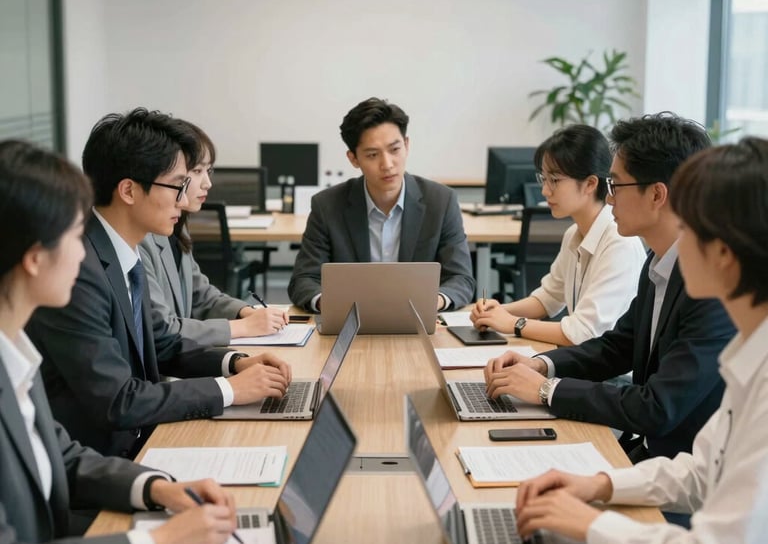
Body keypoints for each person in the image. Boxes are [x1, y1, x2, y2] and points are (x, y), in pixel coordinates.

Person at [515, 137, 768, 544]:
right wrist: (601, 485)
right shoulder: (750, 350)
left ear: (722, 254)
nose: (677, 237)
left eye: (690, 226)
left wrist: (593, 527)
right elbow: (699, 473)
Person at [0, 139, 239, 544]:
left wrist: (156, 488)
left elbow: (61, 456)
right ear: (35, 258)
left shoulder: (14, 350)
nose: (86, 252)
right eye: (74, 235)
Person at [26, 109, 291, 459]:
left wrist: (235, 363)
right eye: (177, 184)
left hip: (144, 437)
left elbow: (162, 344)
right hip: (102, 464)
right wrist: (227, 390)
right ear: (128, 190)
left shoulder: (123, 252)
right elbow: (118, 401)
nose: (184, 199)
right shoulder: (78, 272)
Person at [484, 113, 735, 460]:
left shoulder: (711, 290)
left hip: (684, 474)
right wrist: (542, 366)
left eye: (616, 185)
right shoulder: (660, 262)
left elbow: (658, 407)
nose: (610, 198)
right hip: (649, 454)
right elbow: (617, 347)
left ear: (657, 195)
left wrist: (546, 390)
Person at [288, 97, 475, 312]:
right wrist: (329, 303)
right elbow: (304, 279)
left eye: (394, 150)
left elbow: (461, 278)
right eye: (372, 155)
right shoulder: (327, 205)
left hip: (418, 323)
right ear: (354, 159)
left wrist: (435, 301)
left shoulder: (441, 201)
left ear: (406, 145)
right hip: (349, 323)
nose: (387, 164)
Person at [470, 124, 646, 345]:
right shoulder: (574, 233)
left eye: (554, 180)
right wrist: (498, 312)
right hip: (582, 363)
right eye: (543, 179)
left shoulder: (619, 243)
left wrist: (514, 323)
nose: (544, 191)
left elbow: (583, 332)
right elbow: (548, 299)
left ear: (590, 183)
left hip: (613, 375)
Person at [139, 120, 288, 347]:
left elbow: (201, 294)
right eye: (197, 171)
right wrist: (244, 327)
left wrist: (246, 312)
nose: (207, 183)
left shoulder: (178, 226)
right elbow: (162, 328)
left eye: (208, 171)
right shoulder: (141, 237)